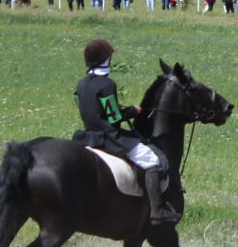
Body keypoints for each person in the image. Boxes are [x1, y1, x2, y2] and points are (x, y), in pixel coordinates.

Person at [76, 38, 178, 225]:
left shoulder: (81, 84)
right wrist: (132, 110)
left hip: (87, 135)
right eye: (109, 57)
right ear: (104, 60)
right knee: (151, 160)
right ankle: (158, 211)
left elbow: (91, 110)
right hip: (108, 137)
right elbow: (114, 117)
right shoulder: (107, 85)